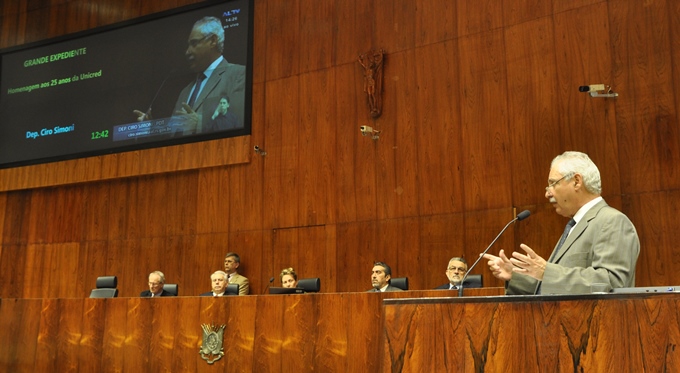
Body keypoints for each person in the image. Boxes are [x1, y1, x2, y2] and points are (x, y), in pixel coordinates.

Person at [483, 151, 640, 295]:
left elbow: (611, 282)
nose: (547, 193)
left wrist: (546, 272)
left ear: (577, 181)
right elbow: (555, 288)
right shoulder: (574, 225)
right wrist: (516, 276)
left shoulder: (612, 221)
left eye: (553, 183)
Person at [133, 16, 245, 135]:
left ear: (213, 40)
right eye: (188, 45)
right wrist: (152, 128)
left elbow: (239, 120)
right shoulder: (185, 92)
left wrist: (199, 122)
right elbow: (174, 134)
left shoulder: (238, 74)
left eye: (194, 43)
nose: (187, 52)